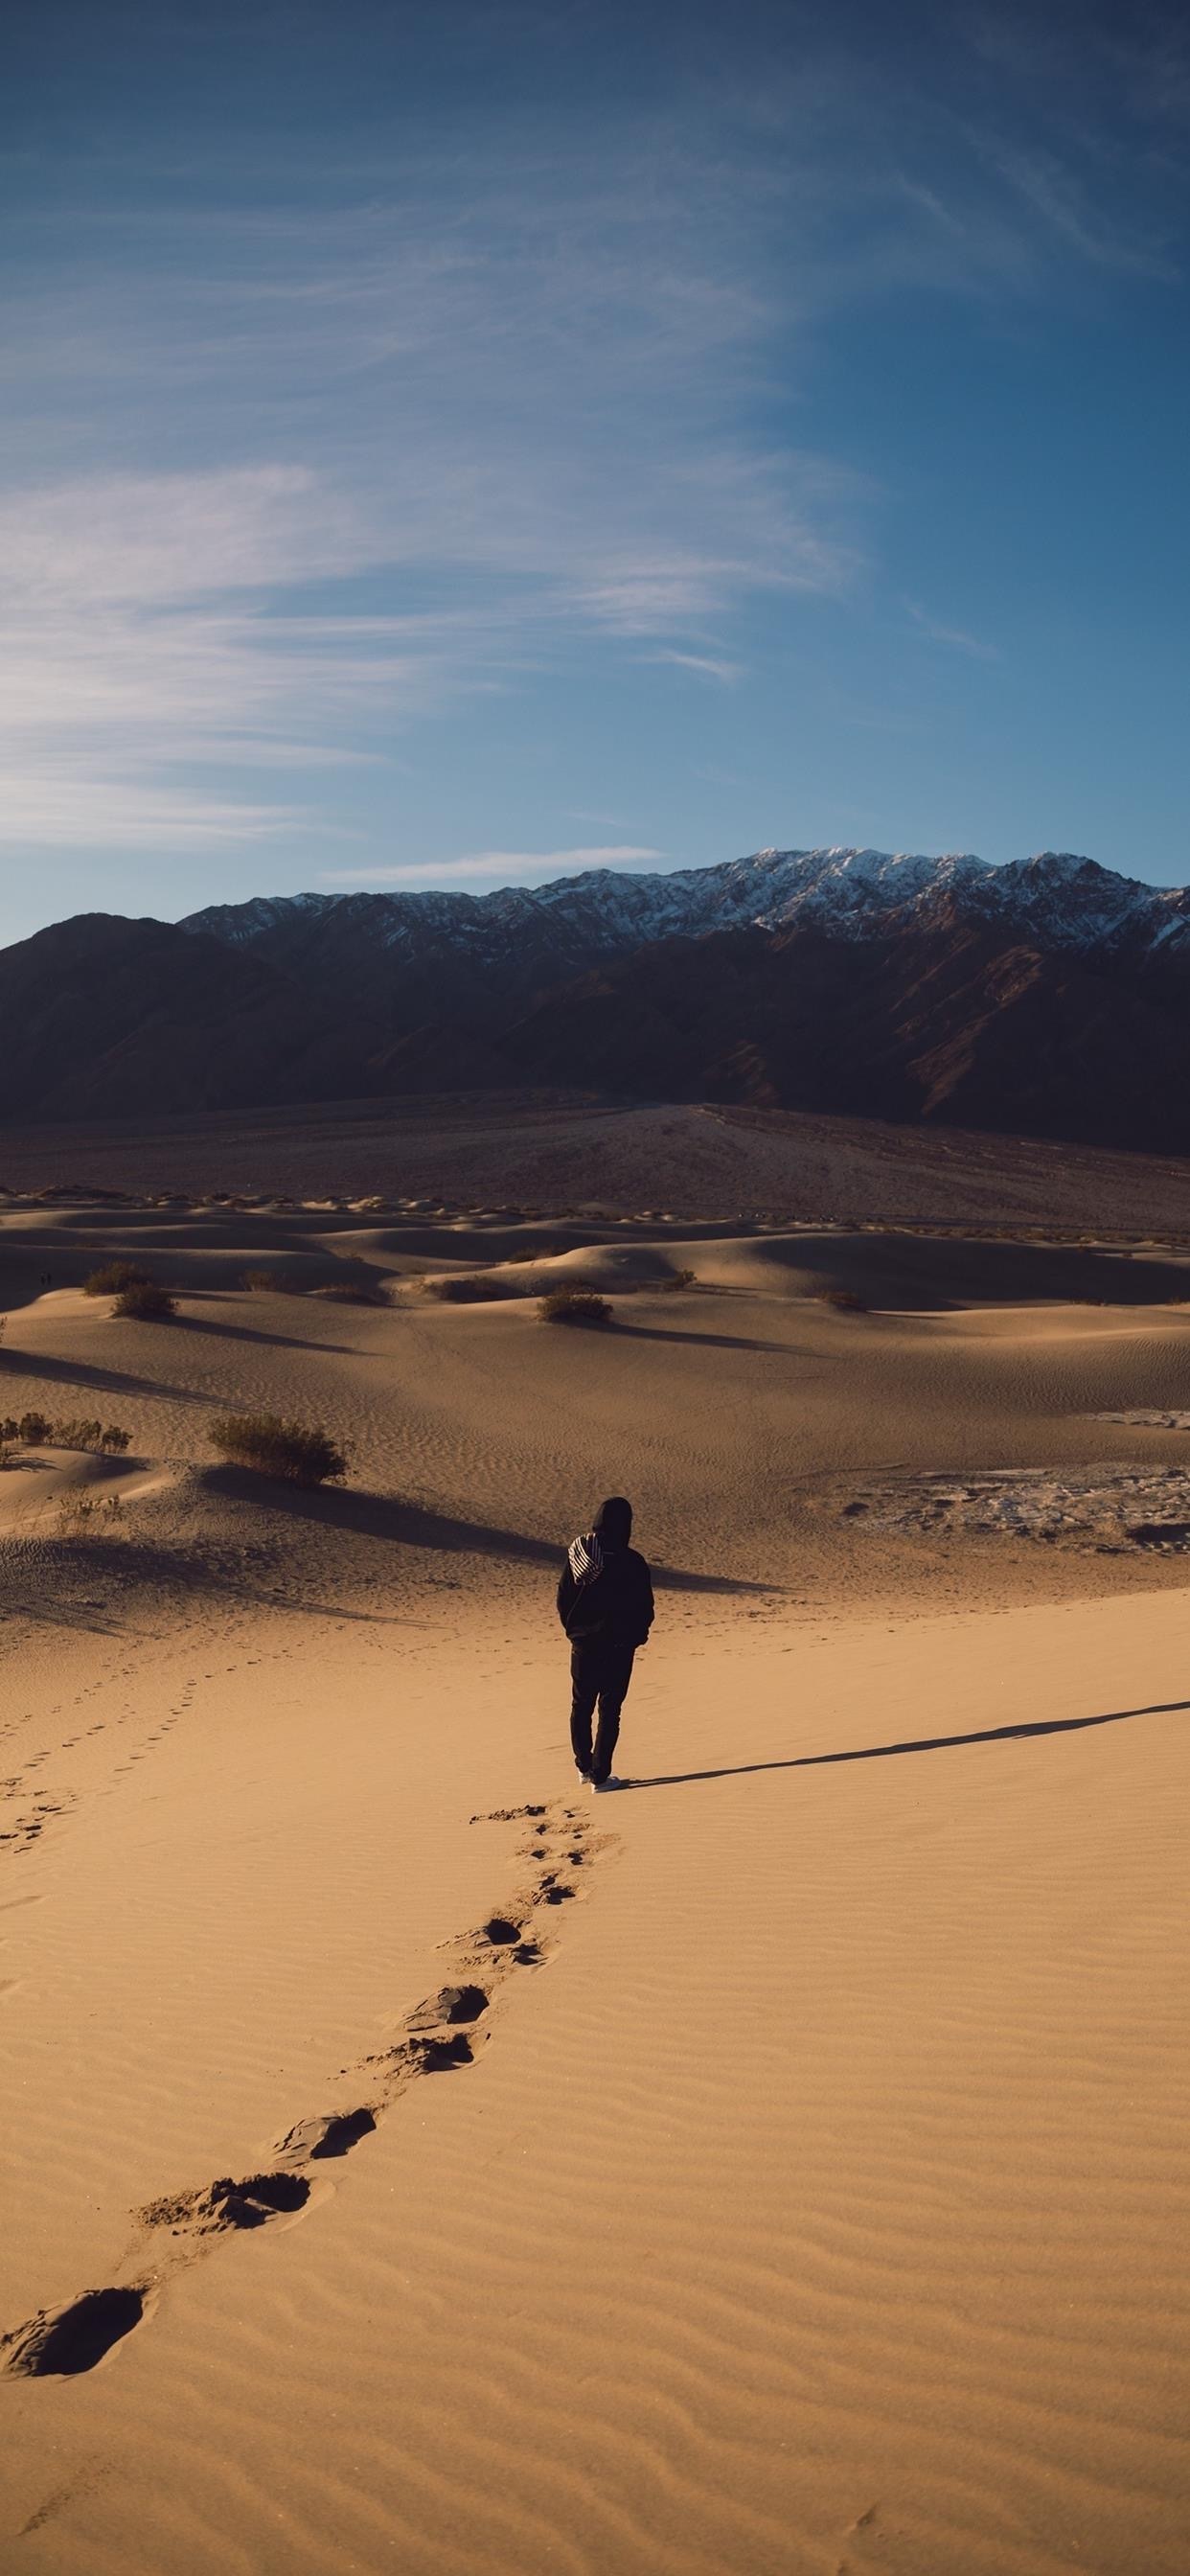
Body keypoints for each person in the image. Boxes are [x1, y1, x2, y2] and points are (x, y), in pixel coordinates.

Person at [557, 1496, 653, 1792]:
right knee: (610, 1708)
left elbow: (563, 1599)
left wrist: (575, 1631)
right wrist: (637, 1636)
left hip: (584, 1643)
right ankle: (600, 1777)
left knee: (581, 1704)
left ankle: (584, 1768)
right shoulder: (632, 1561)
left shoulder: (580, 1554)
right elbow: (645, 1607)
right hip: (619, 1647)